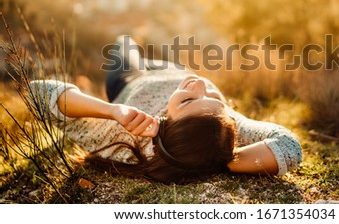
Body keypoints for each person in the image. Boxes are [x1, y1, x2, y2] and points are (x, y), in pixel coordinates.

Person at [29, 36, 302, 184]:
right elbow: (289, 147)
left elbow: (36, 92)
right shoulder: (227, 128)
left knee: (124, 42)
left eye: (188, 101)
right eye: (216, 99)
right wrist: (222, 158)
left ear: (168, 123)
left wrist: (113, 111)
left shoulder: (123, 138)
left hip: (131, 79)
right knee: (160, 45)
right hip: (172, 70)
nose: (200, 85)